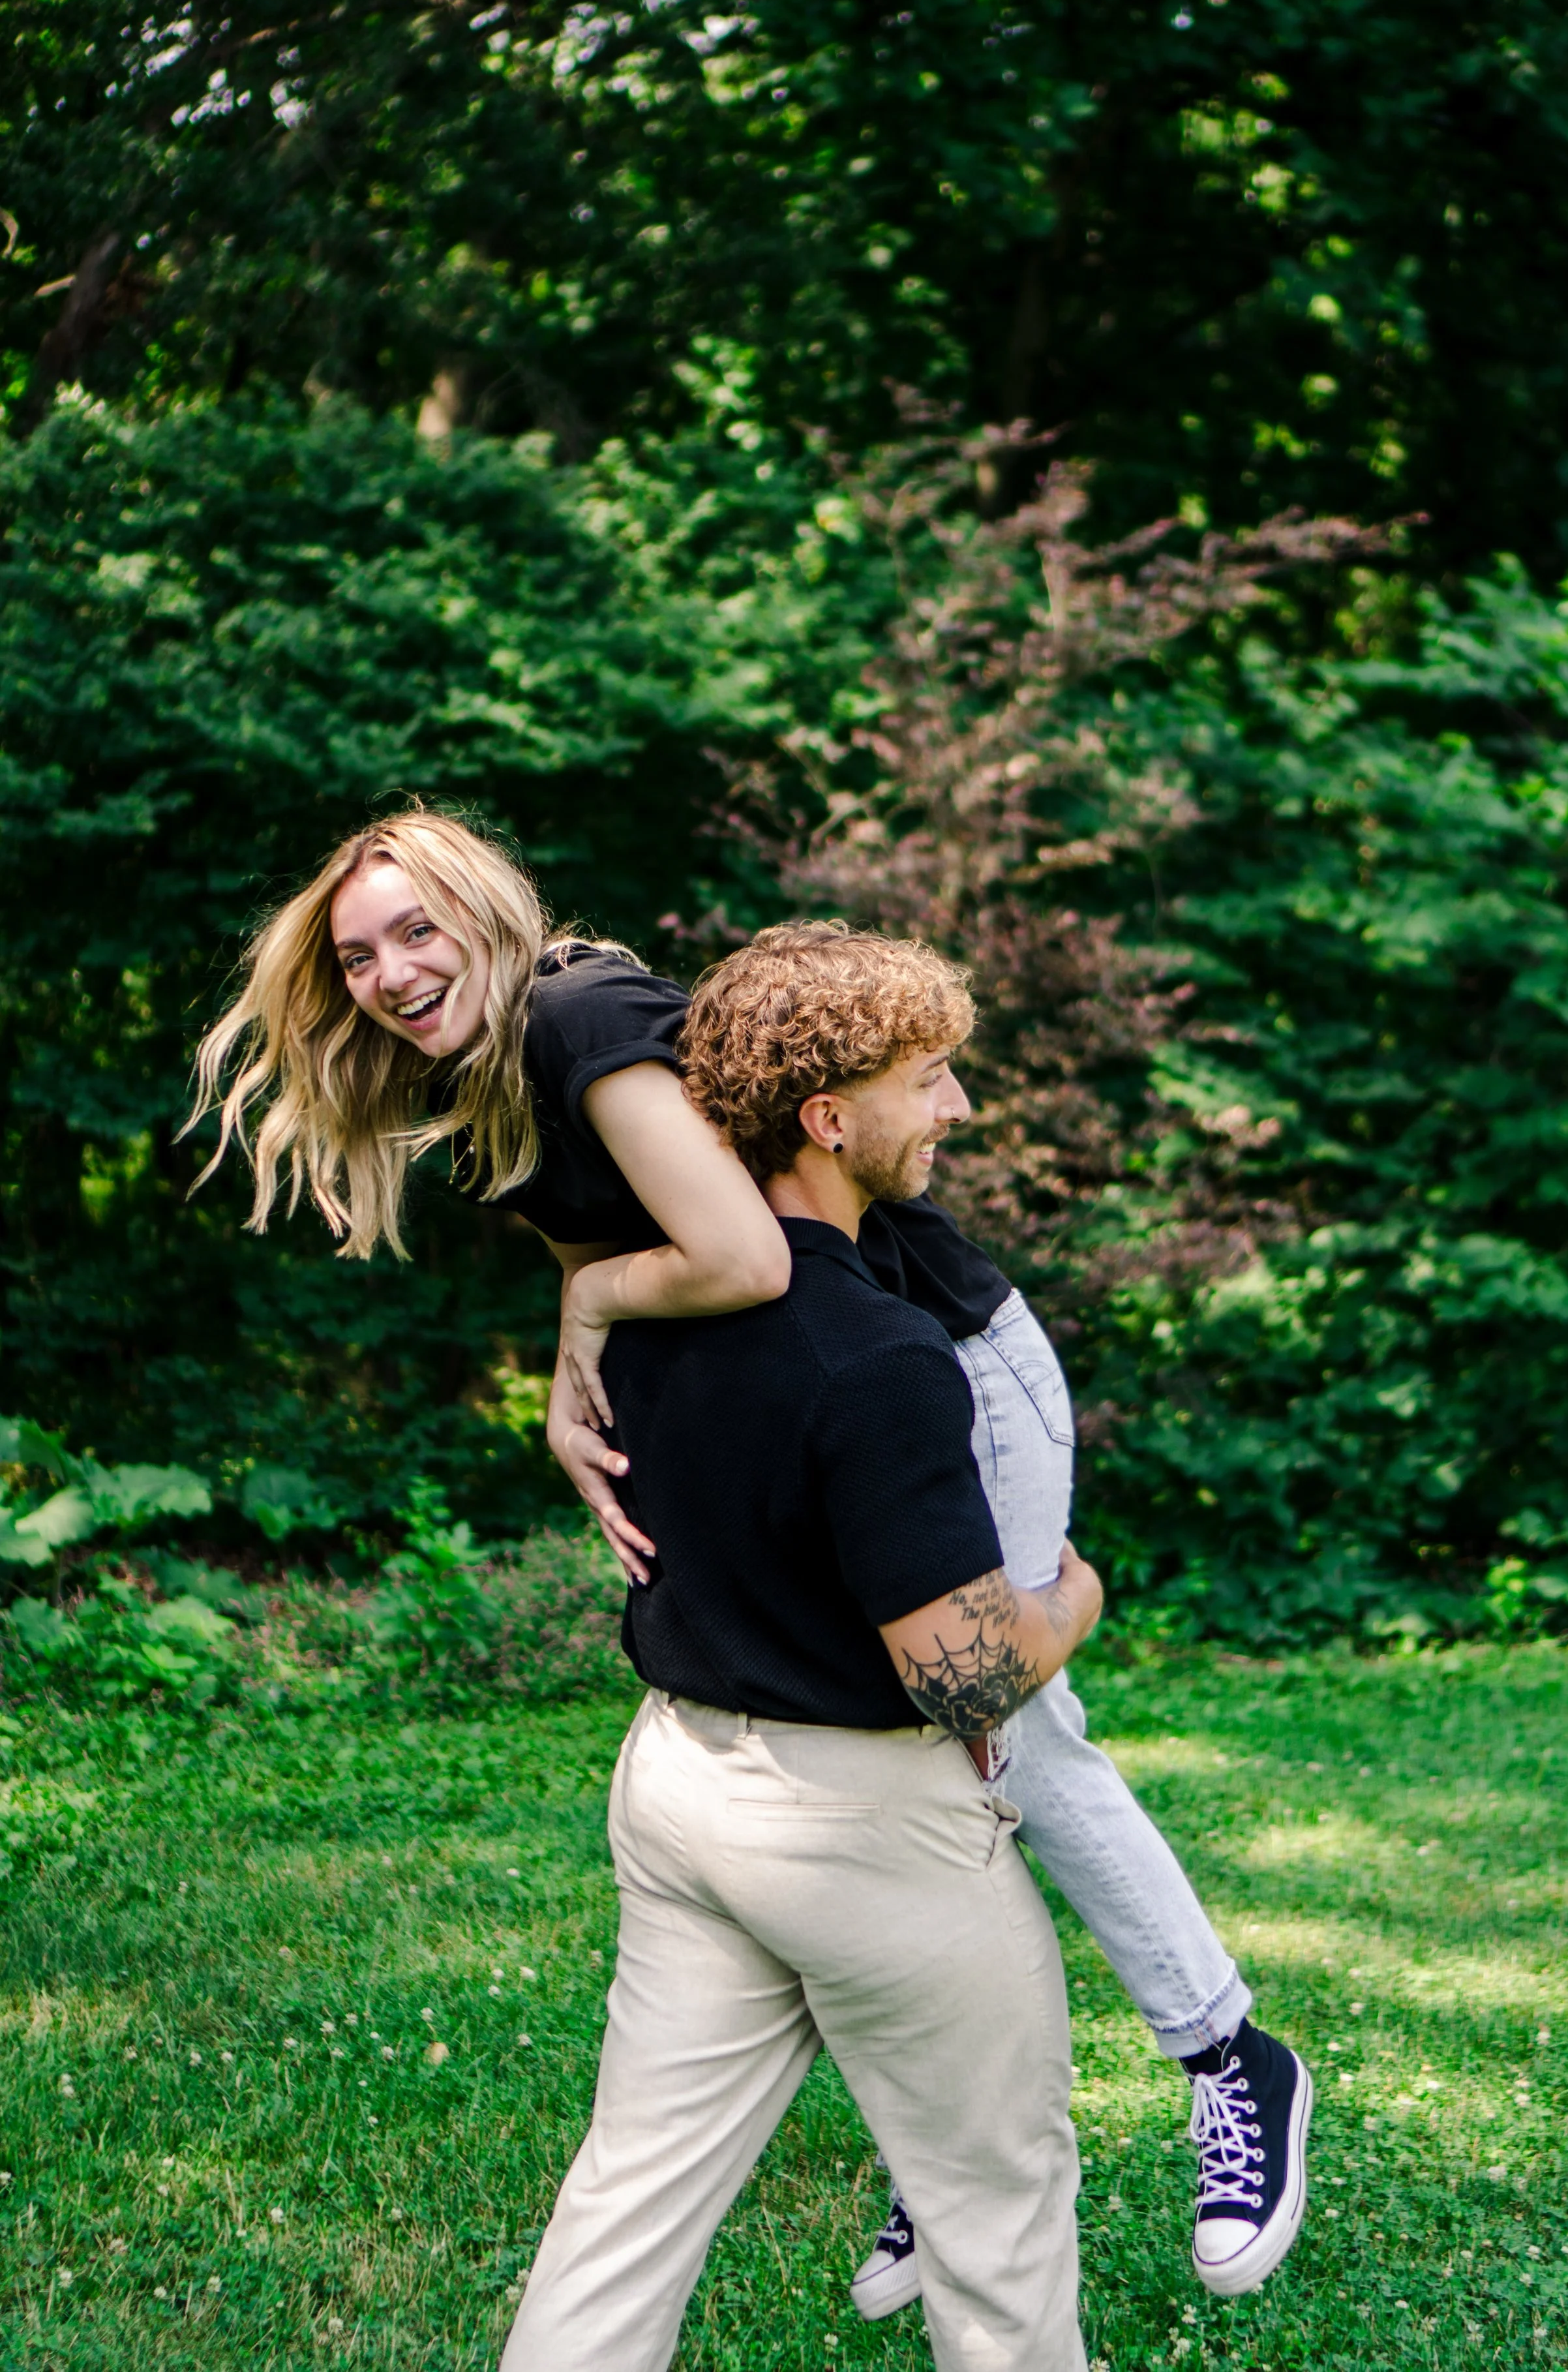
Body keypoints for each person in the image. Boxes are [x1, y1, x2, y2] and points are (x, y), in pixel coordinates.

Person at [187, 808, 1312, 2307]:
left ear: (488, 911)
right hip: (831, 1405)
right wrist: (572, 1361)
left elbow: (743, 1258)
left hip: (954, 1364)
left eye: (417, 931)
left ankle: (1225, 2055)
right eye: (357, 954)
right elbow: (626, 1252)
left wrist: (584, 1326)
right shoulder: (485, 1083)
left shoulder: (584, 1019)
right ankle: (952, 2136)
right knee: (945, 1723)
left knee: (1000, 1715)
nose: (390, 972)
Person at [500, 928, 1102, 2371]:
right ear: (829, 1121)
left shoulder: (648, 1303)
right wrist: (1077, 1592)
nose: (953, 1110)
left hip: (679, 1791)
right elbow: (960, 1674)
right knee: (997, 2215)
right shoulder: (880, 1359)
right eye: (930, 1080)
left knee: (630, 2195)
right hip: (856, 1832)